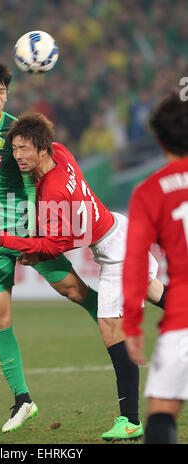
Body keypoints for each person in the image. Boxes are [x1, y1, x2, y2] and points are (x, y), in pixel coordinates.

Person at [0, 111, 166, 441]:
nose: (17, 155)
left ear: (43, 149)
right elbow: (52, 237)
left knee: (110, 328)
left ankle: (131, 420)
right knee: (153, 290)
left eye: (24, 149)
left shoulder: (52, 192)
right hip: (119, 230)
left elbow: (53, 244)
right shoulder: (61, 152)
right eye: (15, 148)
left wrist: (2, 240)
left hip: (116, 252)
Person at [0, 60, 105, 434]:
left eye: (3, 91)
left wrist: (36, 227)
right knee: (0, 319)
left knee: (73, 290)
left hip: (23, 228)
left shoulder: (14, 130)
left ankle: (116, 323)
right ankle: (23, 400)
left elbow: (34, 175)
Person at [122, 90, 188, 444]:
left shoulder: (150, 191)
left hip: (183, 321)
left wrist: (131, 326)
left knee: (162, 409)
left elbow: (134, 264)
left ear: (159, 139)